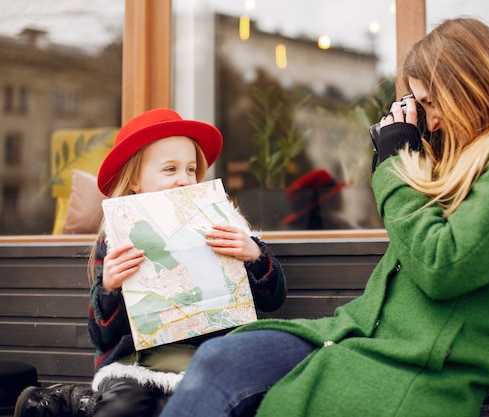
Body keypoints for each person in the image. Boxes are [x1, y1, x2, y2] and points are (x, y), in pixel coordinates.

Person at [157, 17, 489, 417]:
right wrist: (409, 147)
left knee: (284, 404)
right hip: (357, 331)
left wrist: (398, 161)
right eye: (421, 105)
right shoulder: (463, 151)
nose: (431, 120)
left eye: (432, 103)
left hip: (421, 363)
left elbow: (442, 265)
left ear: (469, 86)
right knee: (221, 358)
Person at [14, 108, 287, 417]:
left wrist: (254, 255)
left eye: (190, 170)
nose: (184, 180)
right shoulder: (118, 240)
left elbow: (273, 298)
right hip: (137, 361)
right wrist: (109, 287)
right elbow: (101, 336)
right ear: (134, 181)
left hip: (210, 356)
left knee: (184, 407)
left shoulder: (226, 227)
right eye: (170, 170)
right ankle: (90, 404)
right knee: (122, 407)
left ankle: (78, 404)